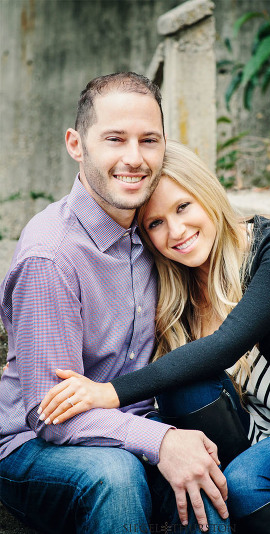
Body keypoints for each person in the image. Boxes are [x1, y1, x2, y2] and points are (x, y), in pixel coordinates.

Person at [37, 140, 270, 533]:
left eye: (183, 207)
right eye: (155, 223)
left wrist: (109, 392)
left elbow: (227, 345)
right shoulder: (175, 287)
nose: (176, 231)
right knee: (182, 388)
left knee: (245, 482)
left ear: (206, 193)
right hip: (242, 436)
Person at [0, 72, 229, 533]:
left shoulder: (158, 235)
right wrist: (161, 439)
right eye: (115, 139)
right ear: (76, 144)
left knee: (206, 479)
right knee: (117, 477)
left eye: (149, 140)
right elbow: (50, 413)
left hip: (133, 431)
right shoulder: (52, 256)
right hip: (36, 448)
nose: (134, 158)